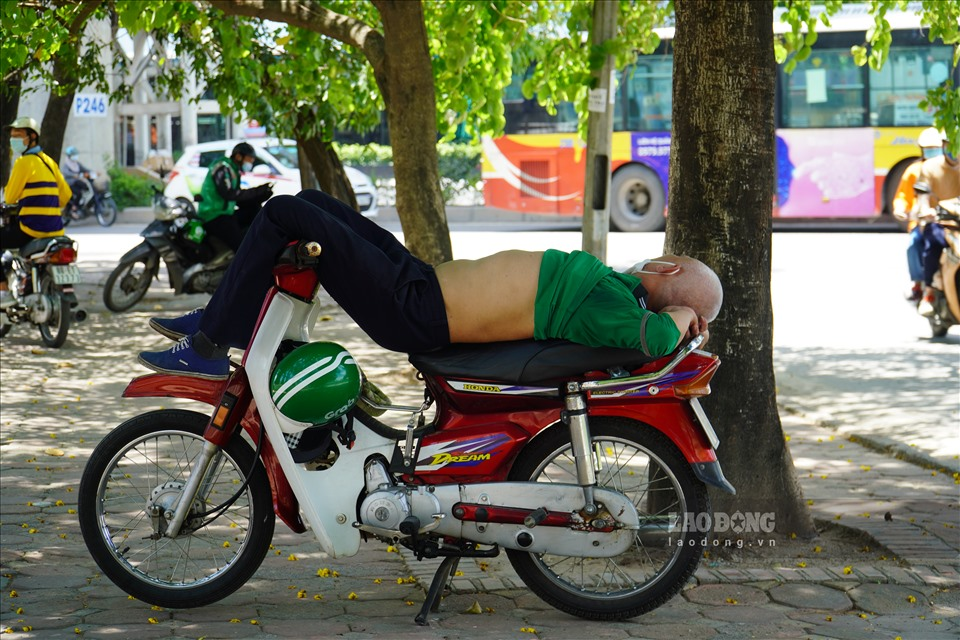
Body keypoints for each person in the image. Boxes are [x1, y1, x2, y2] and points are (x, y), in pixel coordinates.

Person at [139, 190, 723, 381]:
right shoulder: (611, 287)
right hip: (419, 280)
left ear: (667, 270)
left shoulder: (616, 302)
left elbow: (651, 338)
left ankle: (213, 342)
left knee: (285, 212)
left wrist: (679, 320)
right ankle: (217, 321)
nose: (661, 253)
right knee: (312, 202)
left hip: (415, 309)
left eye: (668, 255)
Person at [2, 117, 72, 307]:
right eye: (12, 136)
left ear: (32, 137)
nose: (13, 139)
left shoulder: (23, 162)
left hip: (31, 229)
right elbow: (65, 195)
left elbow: (9, 197)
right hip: (56, 230)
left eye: (18, 135)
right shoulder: (49, 162)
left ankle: (3, 291)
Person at [892, 127, 943, 301]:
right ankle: (919, 283)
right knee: (914, 245)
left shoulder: (950, 168)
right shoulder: (914, 170)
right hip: (923, 222)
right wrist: (900, 209)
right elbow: (902, 197)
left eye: (935, 148)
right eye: (928, 149)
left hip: (947, 220)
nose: (932, 152)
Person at [197, 142, 273, 252]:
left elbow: (238, 201)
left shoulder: (234, 171)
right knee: (241, 246)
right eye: (249, 159)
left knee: (255, 210)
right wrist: (256, 192)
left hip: (226, 214)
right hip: (213, 216)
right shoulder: (222, 167)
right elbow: (228, 194)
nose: (251, 163)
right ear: (238, 156)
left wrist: (260, 196)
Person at [915, 130, 960, 317]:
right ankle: (930, 291)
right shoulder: (930, 167)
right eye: (951, 144)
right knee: (933, 243)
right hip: (940, 222)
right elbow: (922, 196)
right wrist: (925, 209)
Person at [61, 146, 92, 217]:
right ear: (69, 156)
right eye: (73, 155)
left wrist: (93, 172)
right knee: (79, 193)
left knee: (86, 187)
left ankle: (82, 205)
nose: (75, 156)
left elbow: (85, 169)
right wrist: (73, 175)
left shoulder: (77, 164)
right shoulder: (66, 165)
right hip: (69, 184)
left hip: (76, 182)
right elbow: (65, 172)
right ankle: (74, 207)